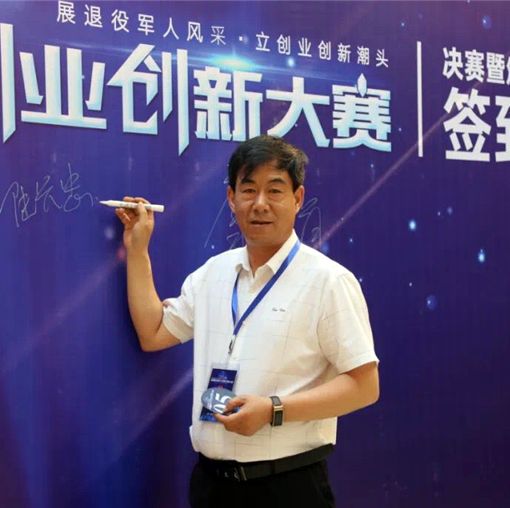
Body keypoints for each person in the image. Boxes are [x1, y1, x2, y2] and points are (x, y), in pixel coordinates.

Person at [115, 135, 380, 508]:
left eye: (275, 191)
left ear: (298, 198)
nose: (260, 204)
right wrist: (138, 249)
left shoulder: (328, 281)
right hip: (212, 485)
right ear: (231, 198)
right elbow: (154, 332)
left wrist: (273, 410)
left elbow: (364, 385)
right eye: (249, 190)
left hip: (286, 487)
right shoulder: (214, 272)